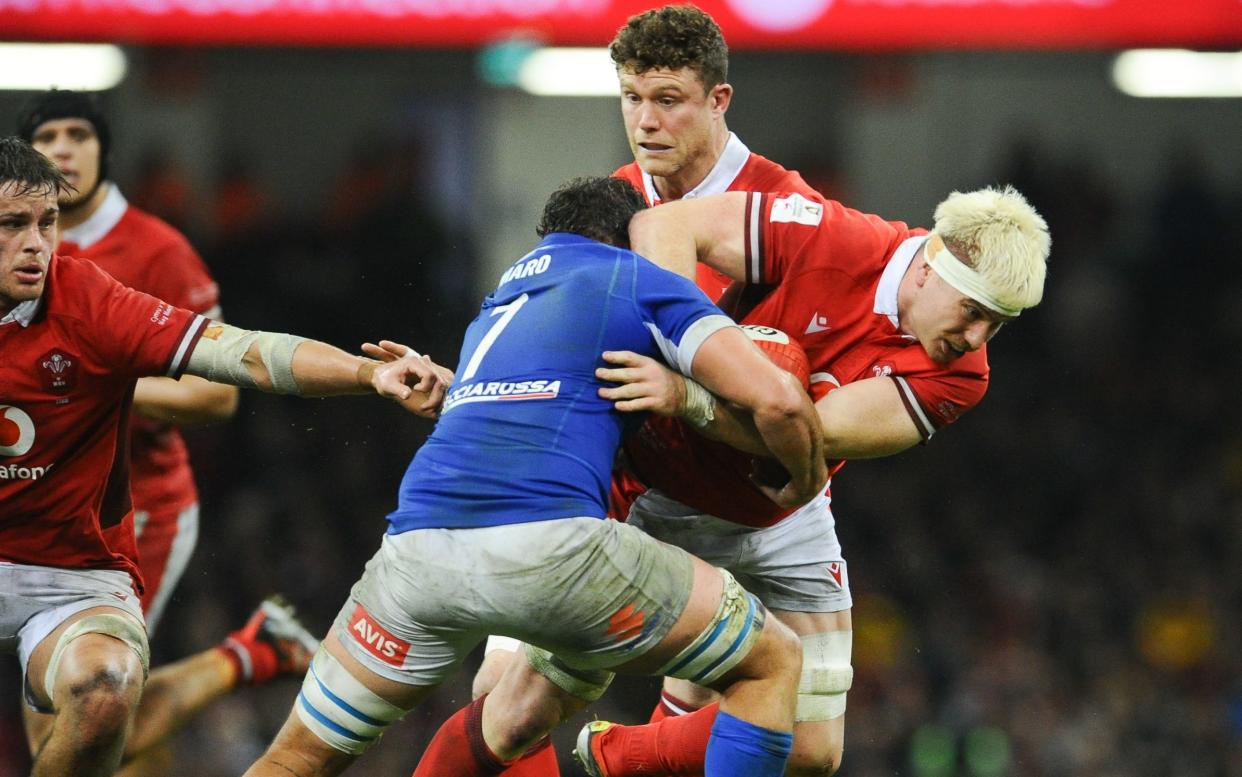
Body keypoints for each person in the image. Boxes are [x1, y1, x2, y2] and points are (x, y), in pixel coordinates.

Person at [238, 176, 828, 777]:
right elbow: (778, 403)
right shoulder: (636, 276)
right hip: (553, 550)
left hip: (416, 557)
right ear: (634, 236)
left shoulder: (497, 305)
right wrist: (806, 480)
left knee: (298, 758)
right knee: (772, 662)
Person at [0, 135, 447, 777]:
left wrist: (364, 374)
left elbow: (240, 352)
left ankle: (242, 655)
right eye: (14, 225)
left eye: (48, 222)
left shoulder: (88, 298)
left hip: (69, 571)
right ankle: (245, 655)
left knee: (104, 690)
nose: (38, 244)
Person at [570, 184, 1050, 777]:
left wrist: (690, 396)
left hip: (786, 510)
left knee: (814, 751)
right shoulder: (832, 236)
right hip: (672, 489)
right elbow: (663, 226)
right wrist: (692, 347)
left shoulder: (963, 375)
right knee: (528, 696)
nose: (976, 340)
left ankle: (621, 754)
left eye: (997, 325)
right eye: (973, 312)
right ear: (929, 268)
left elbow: (807, 433)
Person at [469, 12, 822, 771]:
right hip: (633, 481)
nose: (644, 120)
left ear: (719, 99)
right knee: (502, 693)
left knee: (813, 749)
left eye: (667, 99)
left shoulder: (785, 212)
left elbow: (801, 383)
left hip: (761, 497)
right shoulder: (612, 206)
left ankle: (620, 754)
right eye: (631, 98)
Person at [13, 89, 325, 777]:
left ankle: (243, 657)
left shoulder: (156, 250)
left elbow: (216, 396)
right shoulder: (20, 245)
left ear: (106, 150)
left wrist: (97, 383)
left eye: (79, 134)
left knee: (84, 708)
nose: (63, 149)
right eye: (47, 136)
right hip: (33, 506)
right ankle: (253, 650)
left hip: (131, 506)